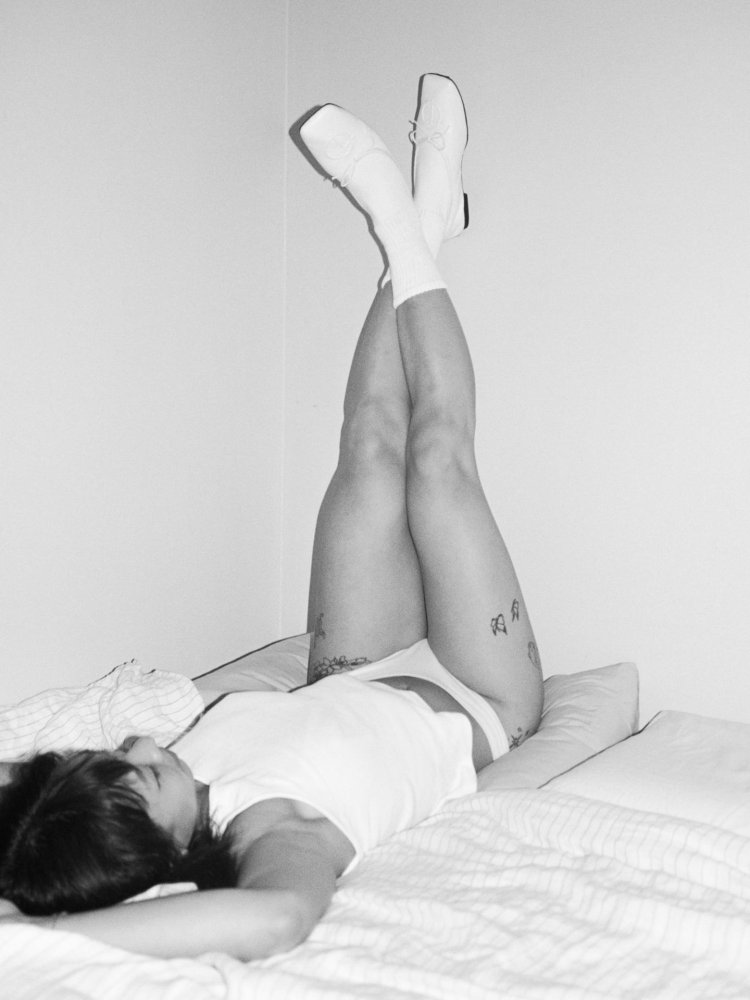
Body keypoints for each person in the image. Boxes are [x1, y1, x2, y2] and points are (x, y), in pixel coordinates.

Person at [0, 74, 543, 961]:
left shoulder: (97, 811)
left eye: (114, 757)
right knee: (437, 466)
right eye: (142, 771)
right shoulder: (274, 835)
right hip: (481, 696)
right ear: (164, 851)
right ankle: (406, 218)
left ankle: (424, 220)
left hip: (355, 667)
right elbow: (276, 921)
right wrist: (38, 940)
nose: (137, 741)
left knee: (368, 443)